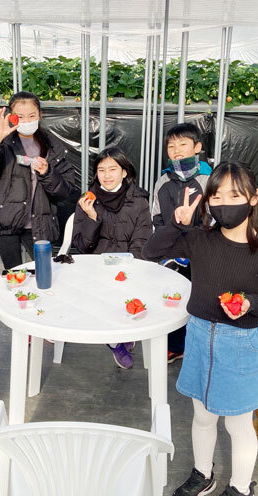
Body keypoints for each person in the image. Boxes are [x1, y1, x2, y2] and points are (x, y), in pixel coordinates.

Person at [143, 162, 258, 496]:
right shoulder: (200, 239)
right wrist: (177, 223)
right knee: (202, 415)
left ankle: (241, 491)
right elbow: (151, 250)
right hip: (198, 335)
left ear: (254, 199)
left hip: (238, 343)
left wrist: (250, 303)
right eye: (217, 196)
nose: (225, 203)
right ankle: (203, 473)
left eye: (235, 195)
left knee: (237, 424)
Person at [0, 90, 79, 269]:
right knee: (14, 274)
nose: (27, 121)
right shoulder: (3, 143)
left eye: (32, 115)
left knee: (44, 270)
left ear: (40, 115)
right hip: (6, 219)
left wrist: (47, 173)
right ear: (12, 117)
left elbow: (64, 191)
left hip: (39, 223)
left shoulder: (52, 146)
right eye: (20, 116)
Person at [72, 146, 153, 368]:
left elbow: (142, 240)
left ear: (124, 172)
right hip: (96, 267)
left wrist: (129, 269)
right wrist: (92, 217)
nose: (106, 175)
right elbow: (82, 247)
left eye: (113, 169)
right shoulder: (87, 201)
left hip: (131, 266)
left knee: (132, 290)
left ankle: (125, 330)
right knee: (104, 296)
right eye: (101, 170)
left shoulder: (139, 201)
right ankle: (115, 342)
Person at [150, 122, 213, 363]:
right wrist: (167, 246)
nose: (176, 150)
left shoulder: (208, 180)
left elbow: (214, 220)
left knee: (199, 300)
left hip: (201, 253)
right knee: (172, 298)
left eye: (183, 144)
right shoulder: (163, 182)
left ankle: (198, 347)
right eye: (171, 146)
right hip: (171, 254)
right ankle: (176, 346)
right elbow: (157, 217)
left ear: (197, 147)